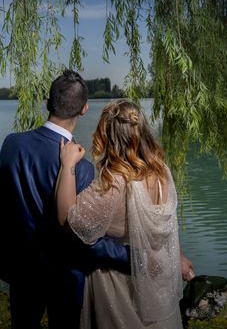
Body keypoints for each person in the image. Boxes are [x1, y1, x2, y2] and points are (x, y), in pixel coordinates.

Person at [0, 70, 131, 329]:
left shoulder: (12, 144)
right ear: (85, 109)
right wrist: (130, 258)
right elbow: (85, 237)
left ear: (47, 102)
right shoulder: (84, 169)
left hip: (21, 268)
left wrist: (21, 244)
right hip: (65, 274)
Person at [56, 99, 195, 329]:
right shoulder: (162, 173)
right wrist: (177, 256)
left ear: (106, 135)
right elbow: (167, 226)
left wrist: (68, 165)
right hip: (155, 278)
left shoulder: (113, 183)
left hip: (118, 288)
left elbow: (68, 221)